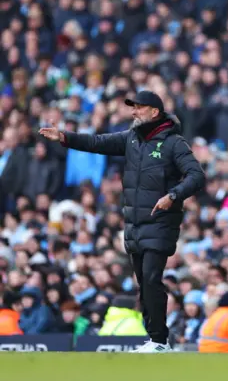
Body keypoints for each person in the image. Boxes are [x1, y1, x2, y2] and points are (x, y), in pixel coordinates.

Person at [39, 90, 206, 353]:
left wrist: (173, 195)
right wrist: (64, 137)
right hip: (135, 223)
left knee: (151, 278)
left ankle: (160, 340)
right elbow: (97, 142)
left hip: (161, 221)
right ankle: (156, 339)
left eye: (139, 107)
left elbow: (196, 175)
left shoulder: (174, 143)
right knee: (144, 281)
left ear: (154, 112)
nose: (134, 112)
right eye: (133, 107)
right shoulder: (131, 139)